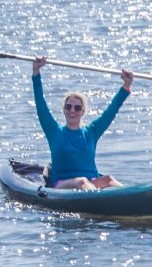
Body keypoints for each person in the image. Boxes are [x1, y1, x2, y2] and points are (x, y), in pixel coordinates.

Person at [30, 57, 134, 190]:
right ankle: (99, 201)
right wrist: (36, 72)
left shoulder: (91, 132)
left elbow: (112, 110)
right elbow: (40, 104)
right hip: (62, 184)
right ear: (64, 110)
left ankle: (133, 197)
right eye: (69, 107)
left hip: (91, 182)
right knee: (81, 182)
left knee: (108, 179)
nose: (72, 110)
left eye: (77, 108)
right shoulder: (54, 131)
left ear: (83, 111)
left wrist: (126, 86)